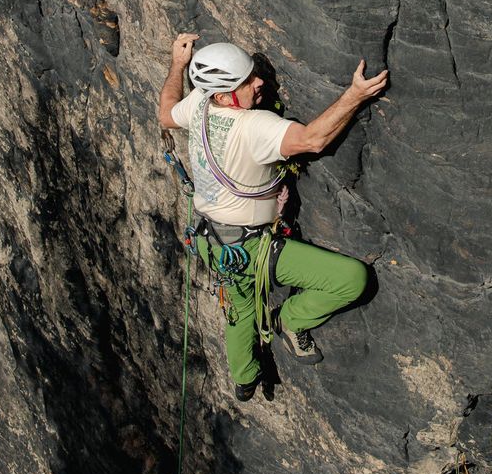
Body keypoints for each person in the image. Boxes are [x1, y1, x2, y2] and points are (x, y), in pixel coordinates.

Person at [158, 33, 388, 401]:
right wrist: (356, 95)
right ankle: (292, 319)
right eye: (246, 82)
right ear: (223, 95)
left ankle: (244, 379)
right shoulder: (253, 127)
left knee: (241, 307)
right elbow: (314, 140)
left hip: (213, 243)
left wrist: (177, 65)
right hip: (250, 248)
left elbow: (166, 113)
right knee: (351, 280)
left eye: (253, 74)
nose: (259, 82)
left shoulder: (198, 105)